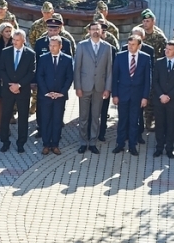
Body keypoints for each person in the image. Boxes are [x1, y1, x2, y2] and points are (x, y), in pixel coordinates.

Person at [73, 21, 112, 156]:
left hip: (99, 87)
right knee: (83, 116)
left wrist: (107, 88)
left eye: (97, 29)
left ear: (101, 31)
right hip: (84, 86)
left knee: (96, 116)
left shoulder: (107, 47)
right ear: (89, 31)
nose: (95, 31)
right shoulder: (82, 45)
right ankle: (83, 142)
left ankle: (93, 142)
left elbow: (109, 70)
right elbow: (77, 68)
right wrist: (77, 87)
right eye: (93, 29)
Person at [112, 34, 151, 156]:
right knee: (122, 120)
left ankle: (132, 146)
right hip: (122, 94)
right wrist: (115, 95)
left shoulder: (145, 58)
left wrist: (145, 97)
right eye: (129, 44)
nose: (130, 46)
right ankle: (120, 144)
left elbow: (147, 79)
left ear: (139, 45)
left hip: (137, 96)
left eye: (133, 44)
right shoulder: (120, 56)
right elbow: (115, 77)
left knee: (134, 122)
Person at [0, 28, 36, 154]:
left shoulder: (30, 54)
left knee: (23, 118)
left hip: (23, 91)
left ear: (23, 40)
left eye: (17, 40)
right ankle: (5, 142)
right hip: (8, 90)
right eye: (13, 39)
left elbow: (31, 72)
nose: (14, 42)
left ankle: (21, 143)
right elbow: (1, 69)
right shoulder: (5, 52)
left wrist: (19, 85)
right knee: (5, 116)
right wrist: (10, 85)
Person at [36, 34, 73, 155]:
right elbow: (39, 76)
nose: (52, 48)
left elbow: (69, 77)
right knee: (46, 120)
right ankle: (46, 144)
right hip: (46, 96)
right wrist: (46, 92)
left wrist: (61, 93)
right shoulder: (43, 58)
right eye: (50, 45)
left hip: (60, 97)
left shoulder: (67, 59)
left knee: (57, 121)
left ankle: (55, 144)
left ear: (60, 46)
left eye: (54, 46)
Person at [150, 41, 174, 159]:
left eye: (170, 49)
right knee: (159, 124)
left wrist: (169, 96)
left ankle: (169, 148)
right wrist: (161, 95)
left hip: (173, 100)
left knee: (171, 125)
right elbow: (155, 81)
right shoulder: (159, 62)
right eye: (166, 49)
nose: (167, 51)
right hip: (159, 99)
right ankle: (159, 147)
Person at [0, 21, 15, 127]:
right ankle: (0, 125)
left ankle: (9, 119)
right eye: (6, 31)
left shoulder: (14, 44)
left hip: (11, 77)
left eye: (10, 31)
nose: (9, 33)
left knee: (9, 101)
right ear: (1, 32)